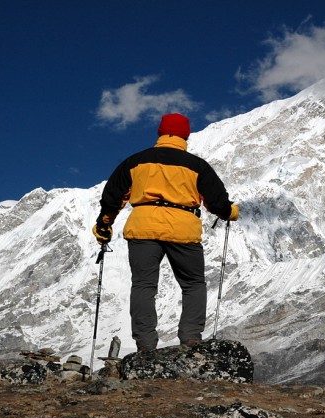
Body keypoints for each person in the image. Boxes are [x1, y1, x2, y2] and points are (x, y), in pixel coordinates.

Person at [92, 113, 238, 351]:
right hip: (183, 230)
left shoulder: (134, 162)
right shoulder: (197, 166)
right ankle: (191, 337)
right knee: (193, 284)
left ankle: (145, 343)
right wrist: (230, 212)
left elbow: (112, 197)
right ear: (186, 136)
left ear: (160, 133)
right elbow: (217, 202)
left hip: (143, 226)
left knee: (143, 285)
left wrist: (104, 225)